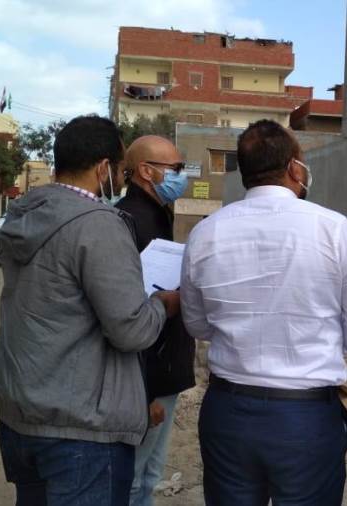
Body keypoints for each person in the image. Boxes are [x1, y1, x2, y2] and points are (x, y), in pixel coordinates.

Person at [180, 119, 347, 506]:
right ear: (294, 168)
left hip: (229, 413)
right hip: (305, 416)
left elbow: (197, 324)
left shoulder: (205, 233)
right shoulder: (332, 228)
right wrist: (317, 345)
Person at [0, 116, 180, 505]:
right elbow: (131, 330)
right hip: (80, 429)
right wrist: (163, 305)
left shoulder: (25, 212)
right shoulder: (99, 224)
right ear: (104, 168)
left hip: (21, 414)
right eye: (120, 169)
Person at [116, 135, 196, 506]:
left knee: (150, 471)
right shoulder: (131, 220)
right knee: (134, 476)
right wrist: (144, 393)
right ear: (147, 171)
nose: (182, 176)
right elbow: (128, 311)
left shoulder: (157, 213)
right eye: (176, 169)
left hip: (162, 367)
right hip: (148, 373)